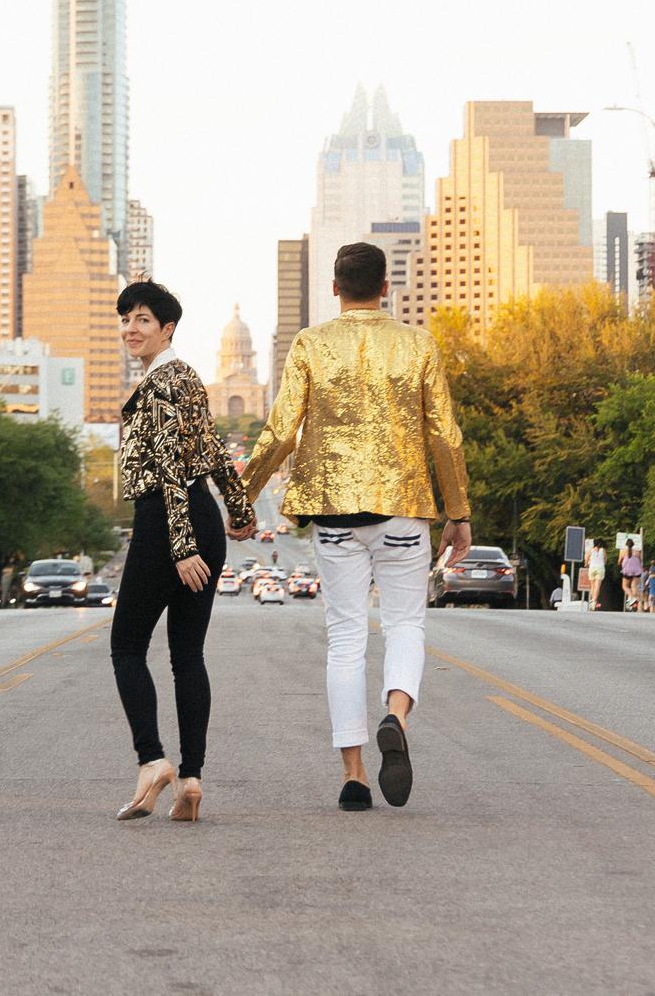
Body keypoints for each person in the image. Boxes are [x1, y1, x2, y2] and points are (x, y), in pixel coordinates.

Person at [240, 242, 471, 811]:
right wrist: (459, 512)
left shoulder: (311, 344)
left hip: (336, 514)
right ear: (386, 288)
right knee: (404, 626)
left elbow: (280, 433)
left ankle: (354, 777)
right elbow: (445, 435)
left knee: (345, 639)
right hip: (403, 510)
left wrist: (241, 499)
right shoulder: (418, 343)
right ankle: (395, 715)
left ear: (336, 289)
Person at [109, 281, 254, 824]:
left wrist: (181, 546)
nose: (131, 328)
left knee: (126, 646)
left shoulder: (162, 383)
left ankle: (152, 761)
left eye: (143, 319)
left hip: (167, 521)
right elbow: (213, 449)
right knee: (186, 656)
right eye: (126, 318)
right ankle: (191, 779)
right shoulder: (187, 376)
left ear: (167, 329)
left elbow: (170, 465)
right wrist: (238, 510)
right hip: (200, 518)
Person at [620, 543, 644, 610]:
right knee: (634, 586)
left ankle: (632, 597)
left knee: (625, 586)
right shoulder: (637, 552)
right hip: (637, 570)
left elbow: (619, 561)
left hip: (627, 571)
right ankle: (634, 600)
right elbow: (640, 561)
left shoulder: (623, 551)